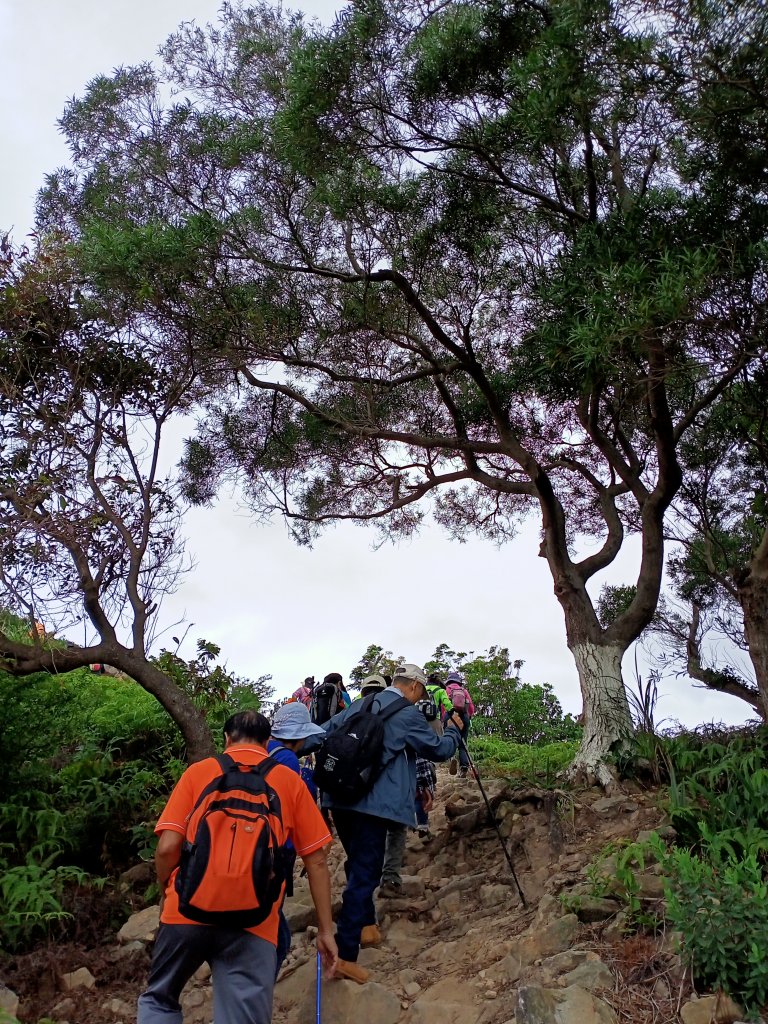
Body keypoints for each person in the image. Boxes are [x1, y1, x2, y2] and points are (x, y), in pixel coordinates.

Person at [137, 710, 338, 1024]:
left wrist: (167, 890)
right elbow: (317, 858)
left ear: (226, 739)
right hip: (255, 918)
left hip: (186, 911)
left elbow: (166, 847)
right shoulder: (289, 780)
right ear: (268, 741)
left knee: (159, 1000)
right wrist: (326, 930)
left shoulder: (199, 772)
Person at [301, 663, 463, 981]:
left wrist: (284, 748)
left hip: (339, 798)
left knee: (359, 864)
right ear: (414, 687)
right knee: (365, 874)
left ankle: (367, 927)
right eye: (419, 693)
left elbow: (322, 733)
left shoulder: (362, 704)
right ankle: (344, 956)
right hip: (374, 807)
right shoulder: (408, 714)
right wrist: (455, 730)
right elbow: (439, 750)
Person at [267, 702, 326, 979]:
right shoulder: (288, 761)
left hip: (257, 842)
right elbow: (292, 805)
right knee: (276, 926)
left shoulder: (264, 750)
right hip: (282, 846)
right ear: (300, 736)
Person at [445, 671, 476, 777]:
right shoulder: (463, 690)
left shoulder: (446, 690)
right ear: (458, 682)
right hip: (464, 717)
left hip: (451, 717)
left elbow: (442, 707)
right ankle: (464, 768)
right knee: (463, 744)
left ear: (448, 681)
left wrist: (444, 720)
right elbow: (471, 707)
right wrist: (468, 716)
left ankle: (452, 758)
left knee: (450, 739)